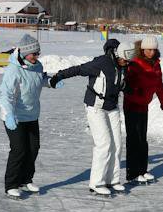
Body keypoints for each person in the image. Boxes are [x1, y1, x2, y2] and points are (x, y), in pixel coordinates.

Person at [49, 39, 136, 196]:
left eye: (128, 61)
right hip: (96, 107)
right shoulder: (102, 62)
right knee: (104, 144)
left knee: (117, 144)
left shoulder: (125, 65)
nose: (126, 63)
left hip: (112, 107)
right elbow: (79, 69)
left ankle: (113, 180)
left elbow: (120, 84)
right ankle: (97, 183)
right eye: (124, 60)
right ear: (118, 55)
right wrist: (59, 76)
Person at [0, 34, 58, 199]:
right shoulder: (13, 69)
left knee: (33, 148)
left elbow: (40, 80)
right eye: (34, 54)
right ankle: (11, 184)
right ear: (25, 53)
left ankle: (25, 180)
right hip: (14, 116)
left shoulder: (37, 66)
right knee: (19, 150)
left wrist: (51, 83)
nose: (37, 56)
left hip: (31, 115)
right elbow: (5, 94)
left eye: (38, 53)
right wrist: (9, 114)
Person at [123, 35, 163, 184]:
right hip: (131, 105)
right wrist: (137, 92)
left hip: (144, 105)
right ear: (142, 49)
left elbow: (158, 83)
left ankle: (142, 170)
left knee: (143, 139)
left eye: (154, 50)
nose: (151, 53)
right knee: (133, 139)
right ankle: (132, 173)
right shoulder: (135, 63)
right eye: (149, 50)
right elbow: (127, 85)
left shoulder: (156, 64)